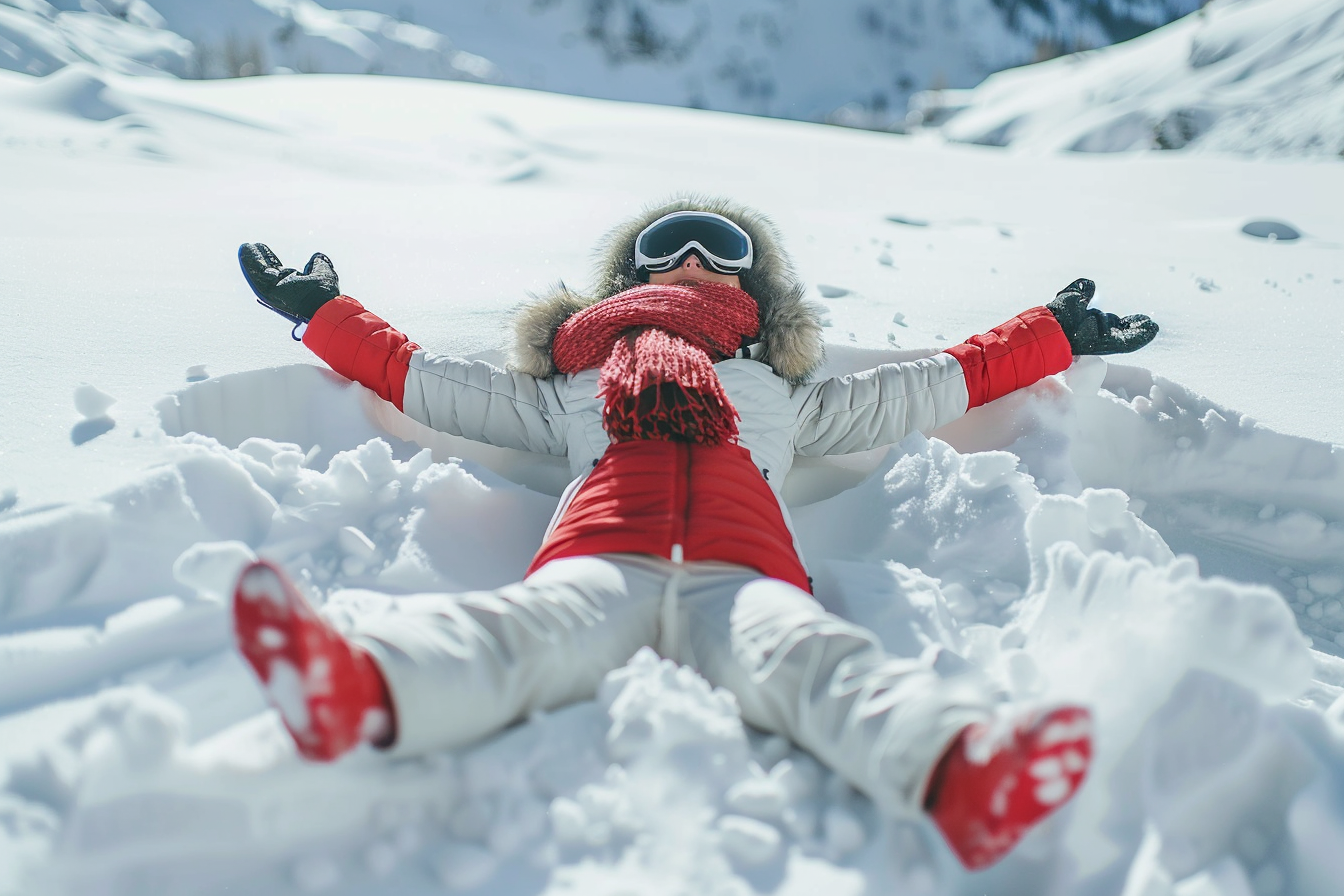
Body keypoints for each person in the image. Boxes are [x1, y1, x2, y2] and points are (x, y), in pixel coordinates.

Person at [233, 196, 1158, 870]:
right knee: (515, 635)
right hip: (601, 554)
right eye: (663, 244)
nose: (690, 257)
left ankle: (961, 773)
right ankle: (354, 691)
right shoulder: (570, 388)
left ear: (748, 281)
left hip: (744, 571)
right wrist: (322, 313)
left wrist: (1052, 335)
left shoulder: (782, 396)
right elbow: (427, 380)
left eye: (719, 246)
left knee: (816, 664)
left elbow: (930, 384)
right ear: (631, 274)